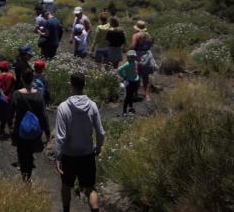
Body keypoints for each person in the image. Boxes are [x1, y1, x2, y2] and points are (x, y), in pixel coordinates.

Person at [55, 72, 105, 212]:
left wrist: (58, 157)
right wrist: (99, 147)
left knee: (66, 185)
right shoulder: (92, 106)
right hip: (87, 154)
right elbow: (101, 132)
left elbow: (60, 137)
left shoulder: (63, 107)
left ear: (71, 85)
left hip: (69, 155)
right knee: (90, 188)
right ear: (84, 85)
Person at [10, 68, 50, 181]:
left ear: (22, 79)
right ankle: (29, 175)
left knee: (22, 154)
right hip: (35, 130)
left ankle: (25, 177)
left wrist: (10, 128)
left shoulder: (16, 94)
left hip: (20, 130)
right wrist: (47, 132)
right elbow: (44, 114)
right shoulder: (38, 95)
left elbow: (11, 113)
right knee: (30, 152)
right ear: (32, 79)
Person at [130, 20, 155, 101]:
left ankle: (136, 94)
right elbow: (151, 45)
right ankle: (146, 95)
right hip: (147, 56)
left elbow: (133, 46)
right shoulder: (149, 36)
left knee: (136, 77)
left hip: (138, 57)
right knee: (146, 77)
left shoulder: (136, 35)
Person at [0, 60, 16, 135]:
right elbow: (14, 86)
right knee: (6, 115)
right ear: (7, 68)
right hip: (8, 99)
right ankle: (4, 129)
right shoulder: (11, 76)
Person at [117, 50, 139, 116]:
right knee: (128, 96)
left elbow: (136, 69)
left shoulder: (135, 62)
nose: (132, 58)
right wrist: (124, 76)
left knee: (132, 95)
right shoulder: (127, 64)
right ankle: (124, 110)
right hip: (129, 81)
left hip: (135, 80)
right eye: (130, 57)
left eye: (133, 56)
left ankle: (131, 107)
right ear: (128, 57)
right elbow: (119, 69)